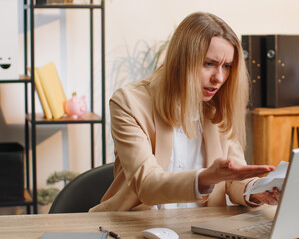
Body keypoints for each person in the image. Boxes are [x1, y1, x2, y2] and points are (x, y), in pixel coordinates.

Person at [90, 12, 280, 212]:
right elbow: (146, 184)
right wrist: (204, 179)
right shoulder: (129, 103)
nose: (219, 78)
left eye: (227, 66)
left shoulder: (219, 107)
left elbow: (233, 181)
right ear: (181, 61)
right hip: (137, 226)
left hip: (201, 228)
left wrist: (255, 189)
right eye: (209, 64)